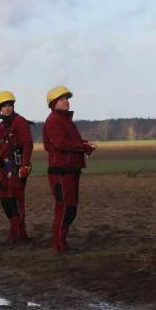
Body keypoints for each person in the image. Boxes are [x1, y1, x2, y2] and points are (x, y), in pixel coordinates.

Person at [43, 86, 96, 253]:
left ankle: (62, 243)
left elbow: (73, 141)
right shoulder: (53, 121)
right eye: (62, 98)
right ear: (53, 103)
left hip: (70, 169)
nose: (67, 101)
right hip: (61, 171)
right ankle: (59, 245)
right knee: (65, 208)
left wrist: (85, 144)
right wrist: (82, 145)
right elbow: (61, 143)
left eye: (67, 98)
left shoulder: (66, 121)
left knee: (70, 208)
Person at [0, 90, 33, 244]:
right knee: (5, 201)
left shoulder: (20, 122)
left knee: (15, 200)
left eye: (10, 105)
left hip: (17, 168)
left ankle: (19, 234)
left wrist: (25, 165)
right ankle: (14, 230)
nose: (7, 108)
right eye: (4, 105)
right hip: (4, 168)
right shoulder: (1, 126)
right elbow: (1, 149)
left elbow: (27, 145)